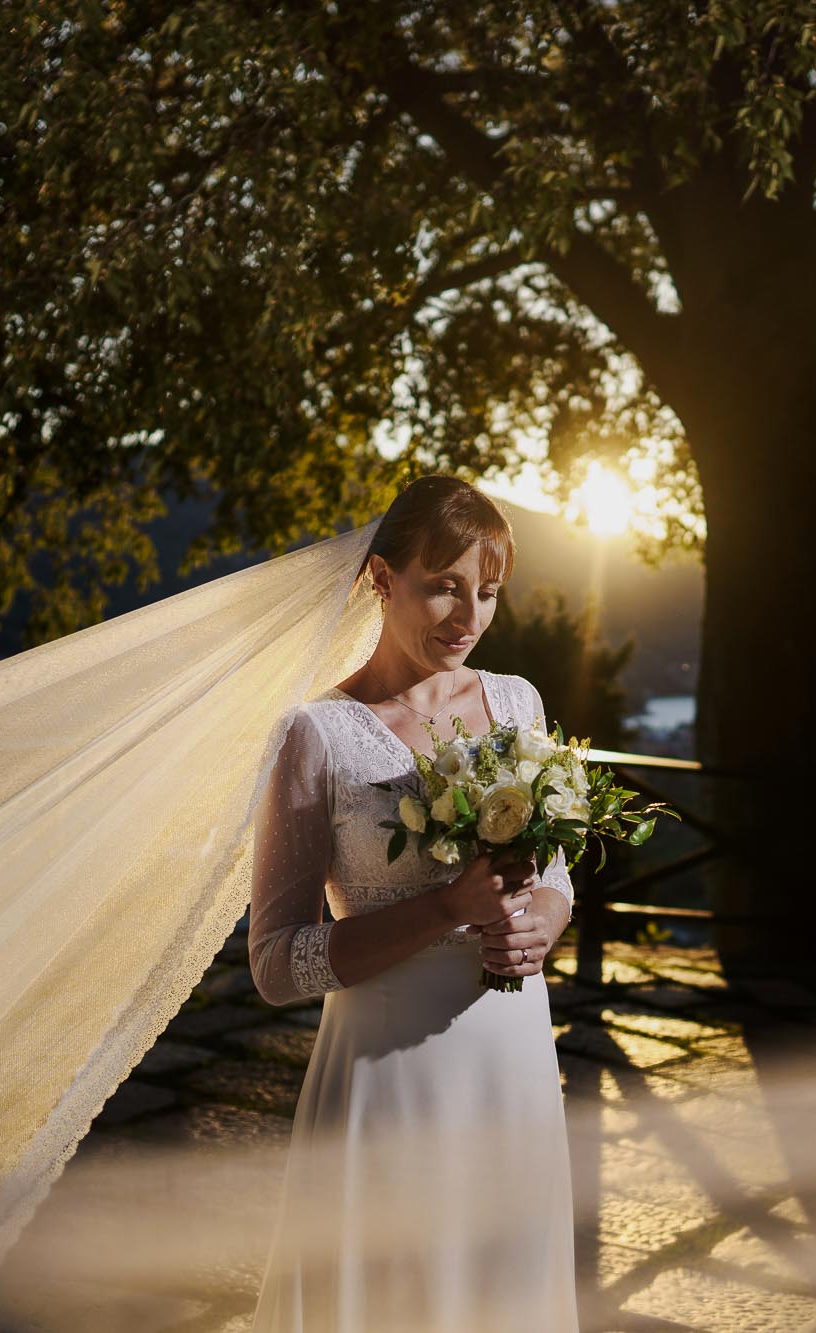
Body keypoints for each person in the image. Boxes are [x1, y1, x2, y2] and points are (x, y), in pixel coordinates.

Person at [246, 475, 580, 1331]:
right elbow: (276, 964)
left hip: (511, 1058)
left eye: (488, 591)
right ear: (381, 578)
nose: (469, 616)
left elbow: (554, 874)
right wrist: (444, 909)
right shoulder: (316, 735)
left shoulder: (517, 703)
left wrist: (542, 925)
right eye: (444, 585)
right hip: (389, 1073)